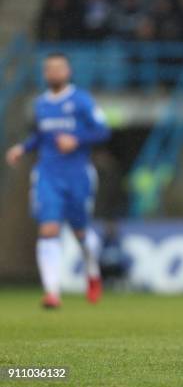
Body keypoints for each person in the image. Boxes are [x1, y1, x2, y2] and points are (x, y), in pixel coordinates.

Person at [5, 53, 110, 308]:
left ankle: (93, 272)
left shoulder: (81, 101)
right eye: (49, 69)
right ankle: (52, 292)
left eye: (58, 68)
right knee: (48, 228)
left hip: (78, 174)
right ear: (45, 74)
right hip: (48, 174)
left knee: (81, 233)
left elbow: (103, 130)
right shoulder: (40, 104)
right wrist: (23, 147)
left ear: (68, 72)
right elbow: (40, 136)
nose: (54, 73)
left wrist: (77, 140)